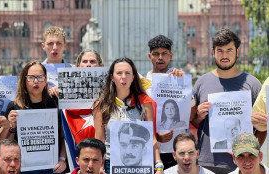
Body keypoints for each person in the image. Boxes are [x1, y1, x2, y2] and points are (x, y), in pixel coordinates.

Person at [191, 28, 262, 173]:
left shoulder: (253, 84)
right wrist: (198, 117)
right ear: (213, 52)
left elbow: (263, 128)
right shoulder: (201, 82)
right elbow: (192, 122)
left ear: (237, 52)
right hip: (208, 162)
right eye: (220, 51)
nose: (224, 55)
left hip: (243, 164)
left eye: (229, 50)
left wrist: (252, 151)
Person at [94, 57, 163, 174]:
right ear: (112, 77)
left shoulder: (144, 102)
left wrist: (159, 165)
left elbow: (152, 138)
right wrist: (99, 166)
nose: (123, 77)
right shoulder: (101, 105)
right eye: (119, 73)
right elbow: (100, 139)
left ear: (133, 77)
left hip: (140, 165)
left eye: (127, 73)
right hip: (110, 164)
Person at [4, 61, 67, 173]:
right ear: (24, 80)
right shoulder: (14, 106)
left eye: (40, 77)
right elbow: (6, 145)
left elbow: (63, 136)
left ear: (46, 80)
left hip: (52, 167)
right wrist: (12, 127)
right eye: (31, 77)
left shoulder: (55, 103)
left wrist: (62, 159)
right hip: (24, 169)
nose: (36, 81)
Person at [146, 35, 186, 170]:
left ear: (171, 55)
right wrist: (155, 136)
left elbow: (189, 112)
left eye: (164, 54)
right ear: (149, 56)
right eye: (156, 54)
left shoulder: (180, 79)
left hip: (176, 150)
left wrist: (184, 84)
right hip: (151, 150)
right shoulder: (143, 84)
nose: (160, 58)